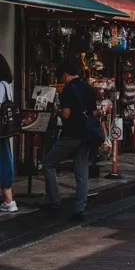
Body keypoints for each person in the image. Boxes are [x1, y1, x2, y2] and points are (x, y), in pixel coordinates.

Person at [42, 59, 99, 222]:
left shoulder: (68, 90)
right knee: (81, 172)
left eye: (61, 78)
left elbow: (66, 114)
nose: (61, 81)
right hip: (86, 135)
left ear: (65, 75)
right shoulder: (88, 88)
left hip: (71, 134)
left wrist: (56, 112)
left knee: (48, 163)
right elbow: (94, 113)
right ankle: (79, 208)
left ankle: (54, 202)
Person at [0, 54, 17, 213]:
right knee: (5, 160)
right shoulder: (6, 85)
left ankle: (9, 200)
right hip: (3, 131)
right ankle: (9, 199)